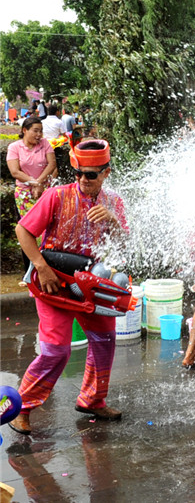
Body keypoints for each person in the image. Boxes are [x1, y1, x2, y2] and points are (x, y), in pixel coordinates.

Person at [8, 139, 128, 435]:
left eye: (91, 174)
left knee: (104, 342)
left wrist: (113, 222)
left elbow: (125, 246)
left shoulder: (114, 203)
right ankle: (21, 408)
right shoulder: (56, 196)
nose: (83, 180)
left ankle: (92, 400)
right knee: (55, 352)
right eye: (79, 173)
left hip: (91, 284)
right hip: (52, 282)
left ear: (106, 172)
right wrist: (40, 266)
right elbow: (23, 230)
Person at [6, 116, 56, 219]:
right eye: (35, 131)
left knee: (47, 226)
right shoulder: (14, 147)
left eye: (41, 131)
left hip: (45, 191)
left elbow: (52, 164)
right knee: (29, 227)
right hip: (24, 194)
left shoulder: (45, 143)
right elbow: (15, 172)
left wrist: (40, 183)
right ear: (25, 130)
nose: (39, 135)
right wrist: (35, 183)